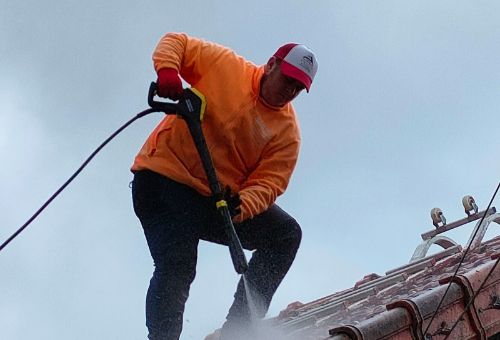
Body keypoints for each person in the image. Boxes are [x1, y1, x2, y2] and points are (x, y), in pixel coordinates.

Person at [130, 32, 318, 340]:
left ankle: (238, 331)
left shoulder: (286, 135)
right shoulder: (226, 67)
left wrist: (241, 206)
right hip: (163, 181)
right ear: (271, 65)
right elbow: (176, 42)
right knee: (178, 264)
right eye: (288, 80)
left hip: (215, 202)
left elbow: (270, 183)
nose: (290, 90)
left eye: (298, 88)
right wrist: (168, 71)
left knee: (285, 234)